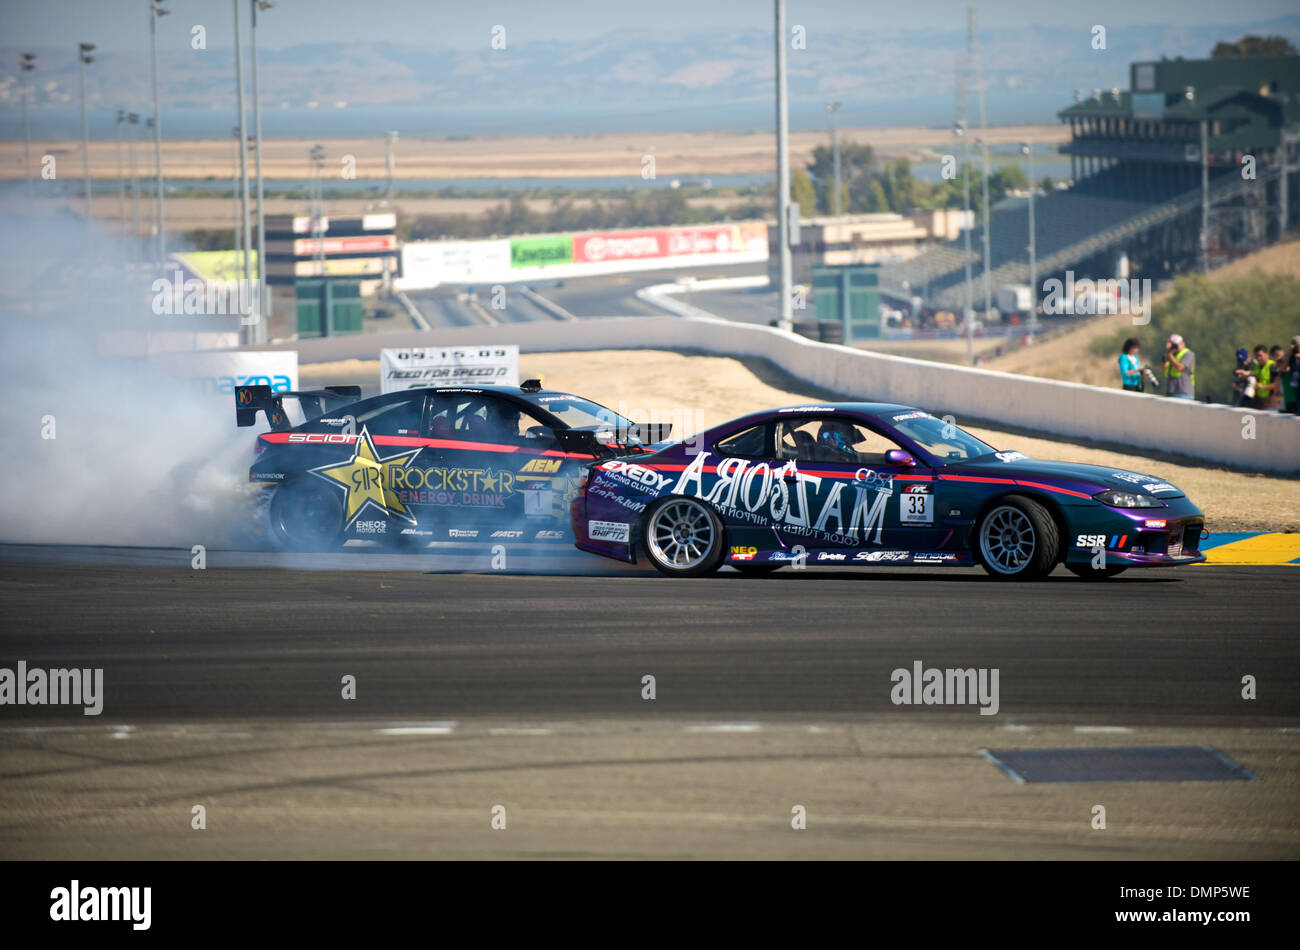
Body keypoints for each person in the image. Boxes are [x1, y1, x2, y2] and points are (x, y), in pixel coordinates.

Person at [1161, 333, 1195, 400]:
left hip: (1183, 392)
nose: (1174, 347)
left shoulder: (1188, 354)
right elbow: (1163, 367)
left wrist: (1170, 355)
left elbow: (1180, 368)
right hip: (1170, 390)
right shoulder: (1173, 354)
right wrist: (1166, 353)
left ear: (1182, 343)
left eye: (1175, 344)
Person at [1271, 344, 1297, 414]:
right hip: (1284, 407)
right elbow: (1276, 395)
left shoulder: (1294, 373)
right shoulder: (1279, 375)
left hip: (1294, 404)